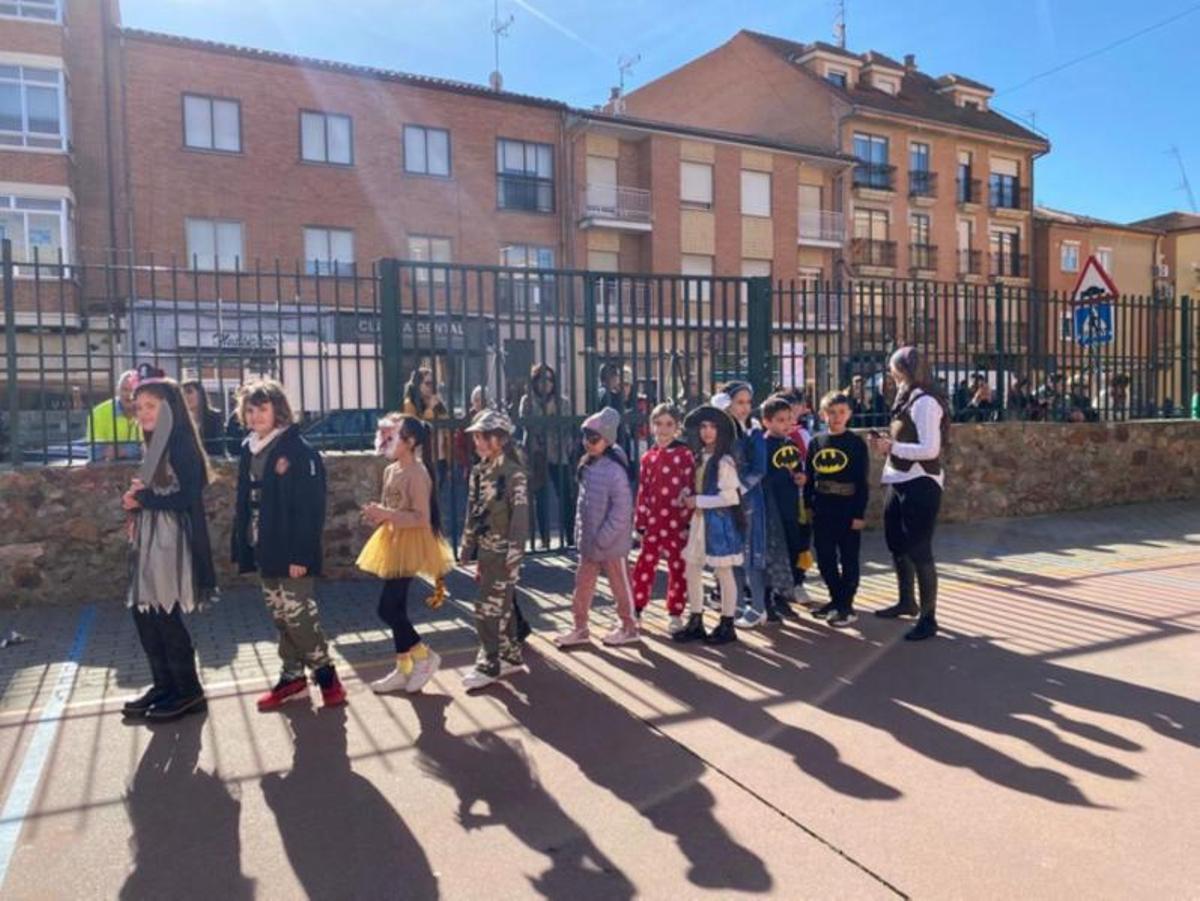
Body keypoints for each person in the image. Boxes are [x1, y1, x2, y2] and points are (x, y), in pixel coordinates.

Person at [231, 379, 346, 710]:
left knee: (300, 618)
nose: (255, 416)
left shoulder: (298, 451)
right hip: (262, 546)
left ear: (278, 410)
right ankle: (293, 678)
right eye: (250, 410)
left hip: (292, 550)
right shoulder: (248, 448)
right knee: (280, 615)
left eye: (262, 409)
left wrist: (301, 555)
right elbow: (245, 501)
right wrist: (243, 544)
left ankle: (327, 678)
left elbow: (310, 509)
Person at [120, 368, 216, 722]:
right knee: (144, 613)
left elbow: (187, 495)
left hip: (171, 541)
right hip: (151, 538)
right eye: (138, 406)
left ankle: (188, 690)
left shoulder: (180, 445)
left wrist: (144, 500)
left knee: (163, 612)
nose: (142, 413)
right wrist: (137, 500)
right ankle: (164, 683)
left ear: (171, 409)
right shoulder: (156, 444)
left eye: (151, 406)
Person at [356, 414, 455, 695]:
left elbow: (421, 518)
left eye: (392, 437)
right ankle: (403, 669)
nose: (384, 441)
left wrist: (386, 514)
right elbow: (394, 509)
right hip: (394, 540)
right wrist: (377, 515)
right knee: (395, 608)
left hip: (412, 544)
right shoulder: (391, 471)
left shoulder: (418, 474)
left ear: (410, 442)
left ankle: (424, 656)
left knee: (386, 608)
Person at [869, 346, 950, 642]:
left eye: (893, 369)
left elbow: (930, 449)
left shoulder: (926, 402)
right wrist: (891, 444)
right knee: (896, 543)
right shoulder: (908, 398)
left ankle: (929, 619)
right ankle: (907, 601)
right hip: (899, 478)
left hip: (920, 482)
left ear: (902, 370)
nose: (891, 375)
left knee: (919, 549)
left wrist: (892, 447)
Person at [554, 408, 640, 648]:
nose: (587, 443)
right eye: (586, 437)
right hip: (590, 542)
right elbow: (583, 506)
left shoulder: (614, 471)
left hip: (609, 544)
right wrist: (582, 535)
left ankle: (629, 626)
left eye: (594, 439)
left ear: (608, 439)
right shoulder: (589, 465)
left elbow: (622, 511)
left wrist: (603, 538)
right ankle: (580, 627)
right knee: (582, 585)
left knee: (620, 586)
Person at [460, 409, 530, 690]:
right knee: (502, 606)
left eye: (482, 436)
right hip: (487, 552)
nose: (477, 442)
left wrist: (515, 554)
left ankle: (489, 664)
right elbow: (472, 512)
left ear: (499, 439)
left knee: (487, 609)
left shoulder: (514, 475)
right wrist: (467, 546)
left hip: (504, 553)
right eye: (476, 436)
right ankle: (510, 656)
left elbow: (520, 518)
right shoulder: (479, 472)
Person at [674, 405, 744, 645]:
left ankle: (727, 623)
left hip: (719, 523)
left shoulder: (724, 461)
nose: (707, 431)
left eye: (713, 426)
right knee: (691, 569)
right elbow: (700, 487)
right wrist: (689, 493)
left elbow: (731, 497)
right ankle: (696, 620)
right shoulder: (700, 456)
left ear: (722, 431)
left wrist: (698, 500)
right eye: (703, 426)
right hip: (699, 521)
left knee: (723, 572)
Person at [804, 391, 869, 628]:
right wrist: (808, 506)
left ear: (849, 414)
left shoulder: (856, 444)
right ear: (823, 415)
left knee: (849, 558)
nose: (837, 417)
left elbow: (862, 481)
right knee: (825, 558)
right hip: (823, 510)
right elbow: (810, 478)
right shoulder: (816, 442)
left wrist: (859, 514)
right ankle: (835, 599)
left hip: (847, 509)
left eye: (841, 412)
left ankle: (846, 606)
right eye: (831, 413)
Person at [630, 403, 693, 633]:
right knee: (644, 565)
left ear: (677, 427)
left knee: (678, 567)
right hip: (654, 522)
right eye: (658, 424)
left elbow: (689, 487)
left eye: (668, 424)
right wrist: (640, 523)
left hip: (677, 522)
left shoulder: (684, 455)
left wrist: (687, 521)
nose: (663, 430)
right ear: (651, 426)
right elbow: (643, 492)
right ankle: (635, 608)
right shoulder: (648, 457)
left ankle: (675, 612)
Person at [719, 382, 770, 630]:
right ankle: (738, 603)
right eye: (740, 402)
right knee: (734, 554)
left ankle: (759, 607)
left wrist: (738, 489)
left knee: (751, 554)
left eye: (748, 403)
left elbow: (760, 468)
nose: (745, 408)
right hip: (727, 500)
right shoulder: (722, 430)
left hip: (748, 500)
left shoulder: (754, 431)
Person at [760, 395, 807, 621]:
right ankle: (767, 599)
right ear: (766, 422)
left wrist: (800, 477)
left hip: (789, 506)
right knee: (771, 554)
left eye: (789, 419)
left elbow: (797, 469)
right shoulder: (762, 444)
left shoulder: (790, 444)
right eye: (780, 420)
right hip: (770, 508)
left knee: (790, 549)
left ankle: (782, 597)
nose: (786, 424)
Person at [518, 363, 575, 550]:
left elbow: (566, 427)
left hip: (559, 454)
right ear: (534, 382)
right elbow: (526, 425)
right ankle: (544, 539)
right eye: (541, 379)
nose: (546, 384)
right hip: (536, 454)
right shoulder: (527, 401)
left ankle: (570, 536)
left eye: (550, 379)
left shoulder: (562, 401)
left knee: (565, 496)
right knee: (540, 497)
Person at [402, 366, 451, 481]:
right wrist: (430, 408)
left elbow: (447, 425)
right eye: (428, 383)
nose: (432, 387)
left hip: (440, 457)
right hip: (421, 457)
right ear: (417, 385)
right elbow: (416, 427)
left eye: (434, 384)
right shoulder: (410, 403)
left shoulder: (435, 401)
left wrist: (440, 406)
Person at [85, 369, 142, 461]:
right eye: (124, 389)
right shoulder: (98, 413)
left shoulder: (147, 411)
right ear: (117, 390)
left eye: (133, 390)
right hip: (108, 471)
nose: (129, 395)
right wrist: (135, 449)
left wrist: (123, 451)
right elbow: (95, 453)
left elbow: (152, 448)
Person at [181, 379, 225, 456]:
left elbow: (218, 446)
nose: (186, 396)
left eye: (189, 392)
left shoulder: (214, 417)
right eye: (182, 393)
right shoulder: (180, 419)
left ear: (200, 394)